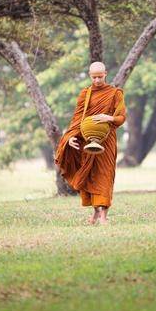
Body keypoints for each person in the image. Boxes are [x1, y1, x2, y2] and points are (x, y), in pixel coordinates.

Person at [54, 61, 127, 225]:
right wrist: (70, 137)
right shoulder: (85, 94)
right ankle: (95, 213)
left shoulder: (115, 93)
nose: (97, 81)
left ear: (106, 74)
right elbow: (77, 119)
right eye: (94, 77)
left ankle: (103, 216)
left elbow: (121, 117)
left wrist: (109, 117)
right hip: (87, 142)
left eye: (100, 77)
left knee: (106, 176)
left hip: (106, 141)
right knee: (90, 177)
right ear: (90, 76)